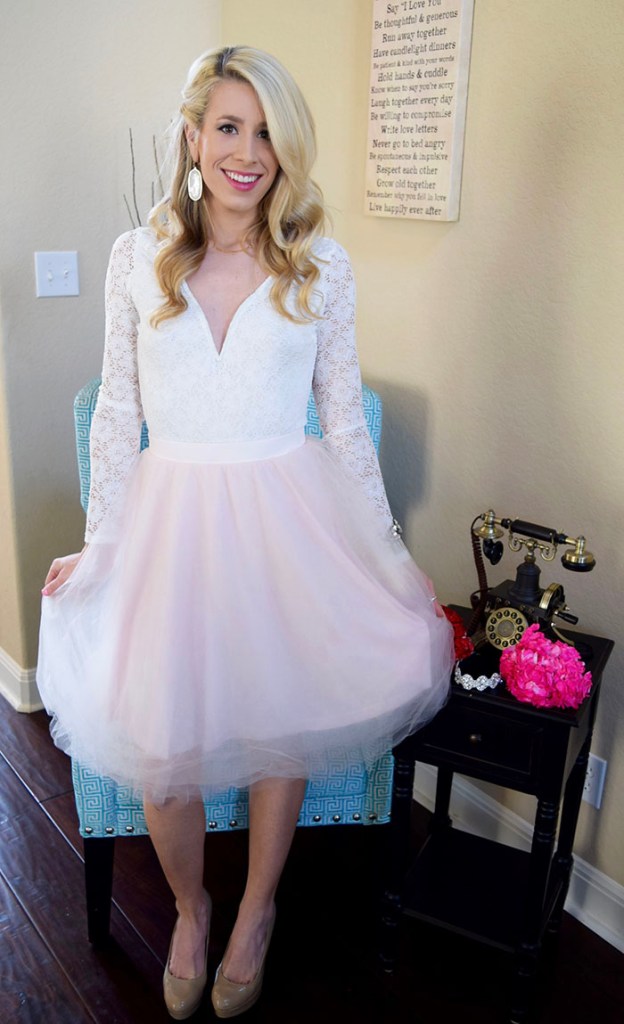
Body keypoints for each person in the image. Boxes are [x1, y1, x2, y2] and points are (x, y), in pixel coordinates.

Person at [37, 45, 454, 1020]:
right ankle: (192, 908)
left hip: (284, 522)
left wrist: (389, 558)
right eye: (228, 127)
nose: (248, 152)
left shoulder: (322, 264)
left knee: (281, 730)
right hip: (168, 524)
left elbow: (344, 422)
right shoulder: (136, 257)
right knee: (160, 747)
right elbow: (116, 415)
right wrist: (101, 548)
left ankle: (257, 910)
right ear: (193, 136)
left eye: (267, 132)